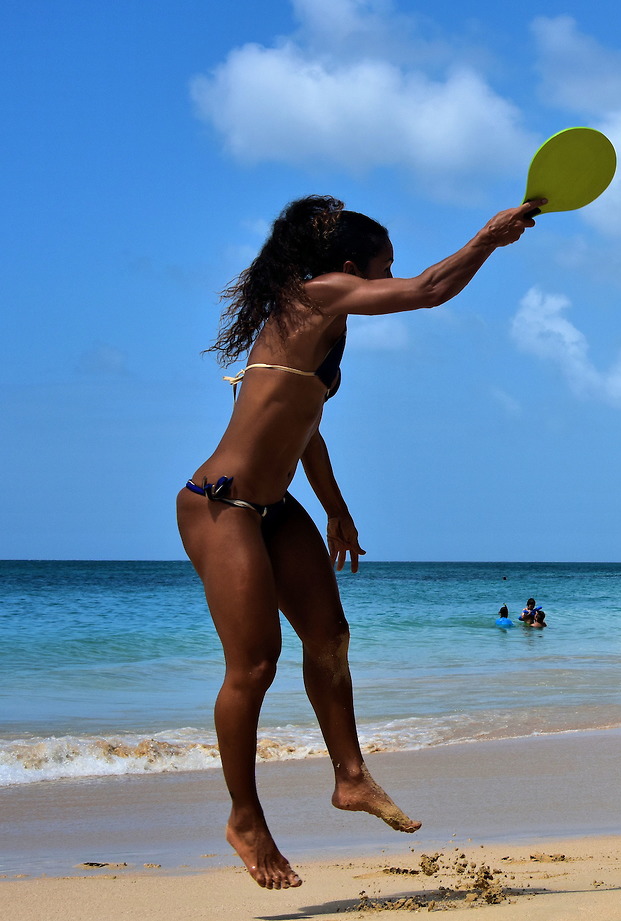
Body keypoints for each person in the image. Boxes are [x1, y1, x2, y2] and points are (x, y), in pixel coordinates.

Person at [176, 194, 540, 889]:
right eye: (383, 267)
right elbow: (430, 291)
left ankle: (350, 776)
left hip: (275, 507)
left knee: (330, 637)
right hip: (220, 507)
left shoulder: (326, 328)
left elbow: (302, 427)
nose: (388, 278)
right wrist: (489, 238)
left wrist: (337, 511)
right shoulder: (316, 294)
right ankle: (244, 817)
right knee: (253, 666)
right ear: (348, 266)